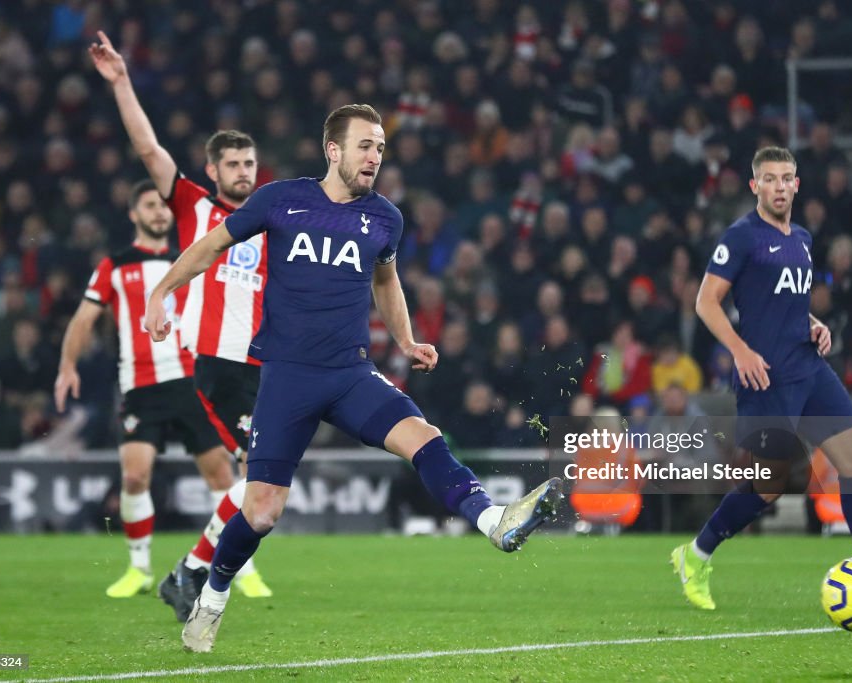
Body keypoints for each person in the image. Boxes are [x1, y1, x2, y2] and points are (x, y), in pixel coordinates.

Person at [144, 104, 563, 652]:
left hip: (349, 374)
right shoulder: (279, 199)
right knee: (262, 511)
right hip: (288, 378)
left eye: (382, 148)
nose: (375, 157)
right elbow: (211, 247)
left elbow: (386, 281)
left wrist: (407, 340)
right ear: (333, 150)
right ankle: (213, 595)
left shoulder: (385, 217)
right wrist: (161, 291)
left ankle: (493, 520)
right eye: (365, 145)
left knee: (425, 438)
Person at [669, 147, 852, 610]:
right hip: (766, 378)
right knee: (767, 488)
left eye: (786, 178)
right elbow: (706, 302)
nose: (778, 186)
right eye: (769, 179)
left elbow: (783, 300)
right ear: (755, 186)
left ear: (796, 185)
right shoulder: (741, 237)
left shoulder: (804, 238)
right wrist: (740, 351)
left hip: (809, 368)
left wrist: (812, 321)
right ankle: (695, 555)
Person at [89, 30, 273, 612]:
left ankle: (194, 571)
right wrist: (122, 84)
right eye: (234, 164)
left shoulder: (272, 220)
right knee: (260, 478)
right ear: (212, 169)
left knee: (260, 484)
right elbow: (148, 150)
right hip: (214, 364)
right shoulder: (194, 205)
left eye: (250, 162)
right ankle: (191, 571)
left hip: (261, 366)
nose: (245, 171)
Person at [54, 180, 235, 598]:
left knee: (221, 475)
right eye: (149, 206)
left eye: (162, 206)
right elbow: (83, 320)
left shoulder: (189, 259)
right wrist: (67, 364)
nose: (159, 212)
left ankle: (242, 570)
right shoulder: (114, 266)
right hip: (140, 387)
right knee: (134, 477)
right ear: (134, 214)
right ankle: (139, 568)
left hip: (192, 382)